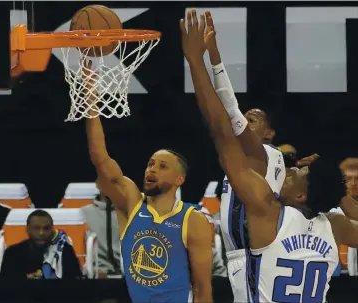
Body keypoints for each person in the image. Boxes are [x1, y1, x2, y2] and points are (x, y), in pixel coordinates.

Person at [181, 9, 358, 302]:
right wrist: (338, 192)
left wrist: (195, 62)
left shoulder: (267, 210)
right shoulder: (335, 225)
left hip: (247, 259)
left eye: (295, 176)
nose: (289, 173)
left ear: (302, 196)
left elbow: (222, 129)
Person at [84, 61, 213, 303]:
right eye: (150, 164)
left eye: (162, 166)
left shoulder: (193, 219)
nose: (151, 169)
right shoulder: (131, 203)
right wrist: (91, 100)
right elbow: (100, 158)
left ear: (179, 179)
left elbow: (203, 288)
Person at [202, 11, 285, 302]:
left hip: (255, 253)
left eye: (255, 121)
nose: (246, 123)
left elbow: (230, 107)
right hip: (240, 255)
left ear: (269, 133)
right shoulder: (249, 159)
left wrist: (212, 57)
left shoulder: (265, 154)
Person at [0, 210, 81, 279]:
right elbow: (7, 288)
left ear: (52, 230)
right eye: (36, 228)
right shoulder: (12, 253)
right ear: (27, 230)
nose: (41, 233)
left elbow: (74, 284)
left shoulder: (65, 251)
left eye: (46, 228)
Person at [80, 181, 122, 278]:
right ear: (98, 184)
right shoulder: (83, 213)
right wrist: (94, 271)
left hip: (127, 276)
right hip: (95, 276)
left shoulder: (131, 213)